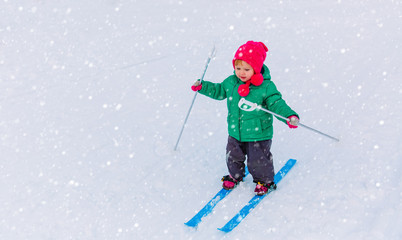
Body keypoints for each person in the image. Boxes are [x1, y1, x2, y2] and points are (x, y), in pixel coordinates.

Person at [191, 41, 299, 195]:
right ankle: (235, 176)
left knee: (258, 159)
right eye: (238, 68)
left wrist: (288, 116)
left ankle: (264, 181)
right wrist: (203, 87)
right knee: (233, 155)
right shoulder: (231, 82)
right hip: (235, 131)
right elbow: (219, 91)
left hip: (258, 133)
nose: (241, 72)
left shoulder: (266, 87)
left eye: (247, 69)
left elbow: (276, 103)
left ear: (256, 69)